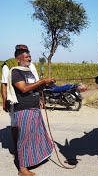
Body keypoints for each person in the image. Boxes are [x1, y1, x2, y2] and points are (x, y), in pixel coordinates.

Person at [7, 48, 54, 176]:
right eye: (26, 56)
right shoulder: (16, 72)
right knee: (24, 138)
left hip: (34, 108)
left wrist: (46, 84)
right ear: (18, 59)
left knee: (36, 135)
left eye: (30, 56)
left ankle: (32, 160)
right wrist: (42, 81)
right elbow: (23, 88)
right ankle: (22, 169)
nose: (29, 58)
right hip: (23, 109)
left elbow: (35, 87)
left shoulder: (29, 72)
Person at [1, 45, 40, 171]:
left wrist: (40, 98)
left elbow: (36, 82)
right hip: (18, 103)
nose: (28, 56)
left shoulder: (31, 66)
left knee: (31, 131)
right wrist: (5, 100)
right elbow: (4, 84)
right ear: (18, 57)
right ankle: (18, 153)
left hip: (32, 103)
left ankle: (29, 155)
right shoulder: (11, 67)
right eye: (24, 53)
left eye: (28, 53)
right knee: (16, 127)